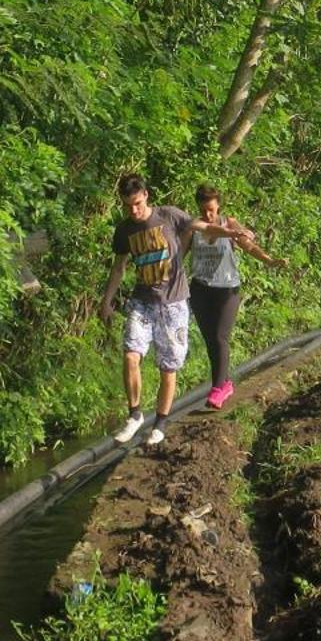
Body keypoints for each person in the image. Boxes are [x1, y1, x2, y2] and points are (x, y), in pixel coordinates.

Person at [98, 174, 240, 448]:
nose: (134, 211)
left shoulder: (169, 216)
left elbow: (200, 225)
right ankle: (135, 414)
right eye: (128, 206)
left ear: (146, 195)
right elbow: (119, 268)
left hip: (173, 303)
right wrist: (107, 301)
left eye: (137, 204)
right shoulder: (124, 230)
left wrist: (230, 233)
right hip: (142, 300)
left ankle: (160, 422)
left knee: (168, 365)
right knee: (130, 354)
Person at [186, 183, 284, 412]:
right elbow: (181, 253)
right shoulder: (195, 227)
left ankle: (219, 389)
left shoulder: (229, 223)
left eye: (211, 210)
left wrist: (269, 260)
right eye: (203, 210)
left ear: (218, 206)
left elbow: (249, 246)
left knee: (220, 337)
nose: (208, 215)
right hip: (200, 289)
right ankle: (224, 383)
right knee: (211, 341)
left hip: (227, 290)